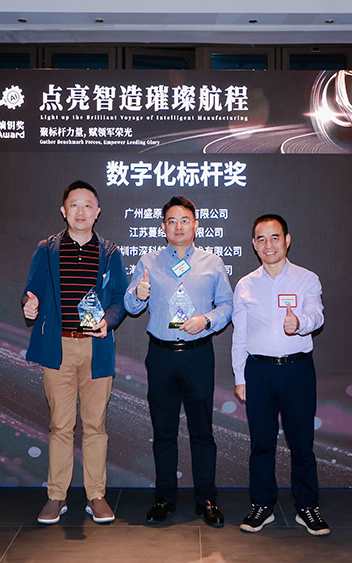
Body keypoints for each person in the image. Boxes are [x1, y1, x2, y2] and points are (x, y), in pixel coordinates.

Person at [22, 180, 127, 525]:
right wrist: (29, 305)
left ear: (97, 212)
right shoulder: (47, 250)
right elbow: (31, 291)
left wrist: (108, 321)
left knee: (95, 425)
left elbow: (120, 300)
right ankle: (57, 496)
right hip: (59, 348)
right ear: (64, 211)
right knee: (60, 426)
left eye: (87, 205)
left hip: (97, 348)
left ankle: (96, 495)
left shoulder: (110, 252)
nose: (81, 211)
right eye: (74, 205)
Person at [124, 196, 234, 527]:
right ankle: (164, 497)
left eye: (185, 220)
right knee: (163, 432)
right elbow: (130, 306)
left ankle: (207, 499)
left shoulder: (212, 262)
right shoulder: (148, 261)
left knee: (202, 431)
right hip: (161, 355)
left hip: (198, 354)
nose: (179, 226)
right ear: (163, 227)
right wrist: (138, 294)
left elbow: (227, 306)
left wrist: (207, 320)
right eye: (172, 221)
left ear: (196, 225)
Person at [231, 214, 330, 536]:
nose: (268, 245)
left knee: (302, 444)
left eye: (275, 237)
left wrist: (300, 323)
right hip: (258, 371)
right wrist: (240, 377)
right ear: (253, 245)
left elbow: (317, 314)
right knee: (261, 443)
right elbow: (239, 336)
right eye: (261, 239)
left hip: (297, 370)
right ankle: (262, 505)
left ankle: (307, 506)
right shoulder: (245, 284)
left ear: (287, 240)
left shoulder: (307, 278)